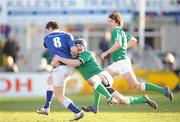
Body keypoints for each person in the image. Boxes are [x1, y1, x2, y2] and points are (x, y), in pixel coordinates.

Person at [52, 38, 158, 113]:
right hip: (101, 81)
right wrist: (55, 62)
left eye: (81, 45)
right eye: (77, 45)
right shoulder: (73, 58)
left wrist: (60, 58)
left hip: (103, 75)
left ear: (84, 47)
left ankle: (107, 98)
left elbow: (77, 63)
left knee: (92, 81)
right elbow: (64, 63)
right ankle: (143, 99)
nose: (79, 47)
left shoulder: (87, 54)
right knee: (123, 101)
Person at [99, 11, 173, 102]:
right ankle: (162, 90)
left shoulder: (115, 31)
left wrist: (106, 52)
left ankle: (104, 102)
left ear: (117, 22)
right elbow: (134, 40)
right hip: (122, 62)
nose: (109, 23)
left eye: (111, 21)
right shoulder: (122, 32)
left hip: (120, 62)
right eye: (108, 21)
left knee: (100, 77)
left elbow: (118, 44)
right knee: (136, 86)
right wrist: (124, 47)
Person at [36, 21, 84, 121]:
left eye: (47, 30)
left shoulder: (46, 37)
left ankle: (78, 112)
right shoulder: (67, 35)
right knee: (50, 80)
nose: (47, 32)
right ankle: (46, 107)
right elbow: (74, 50)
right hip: (70, 67)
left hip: (60, 67)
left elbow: (46, 45)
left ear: (49, 28)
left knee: (59, 95)